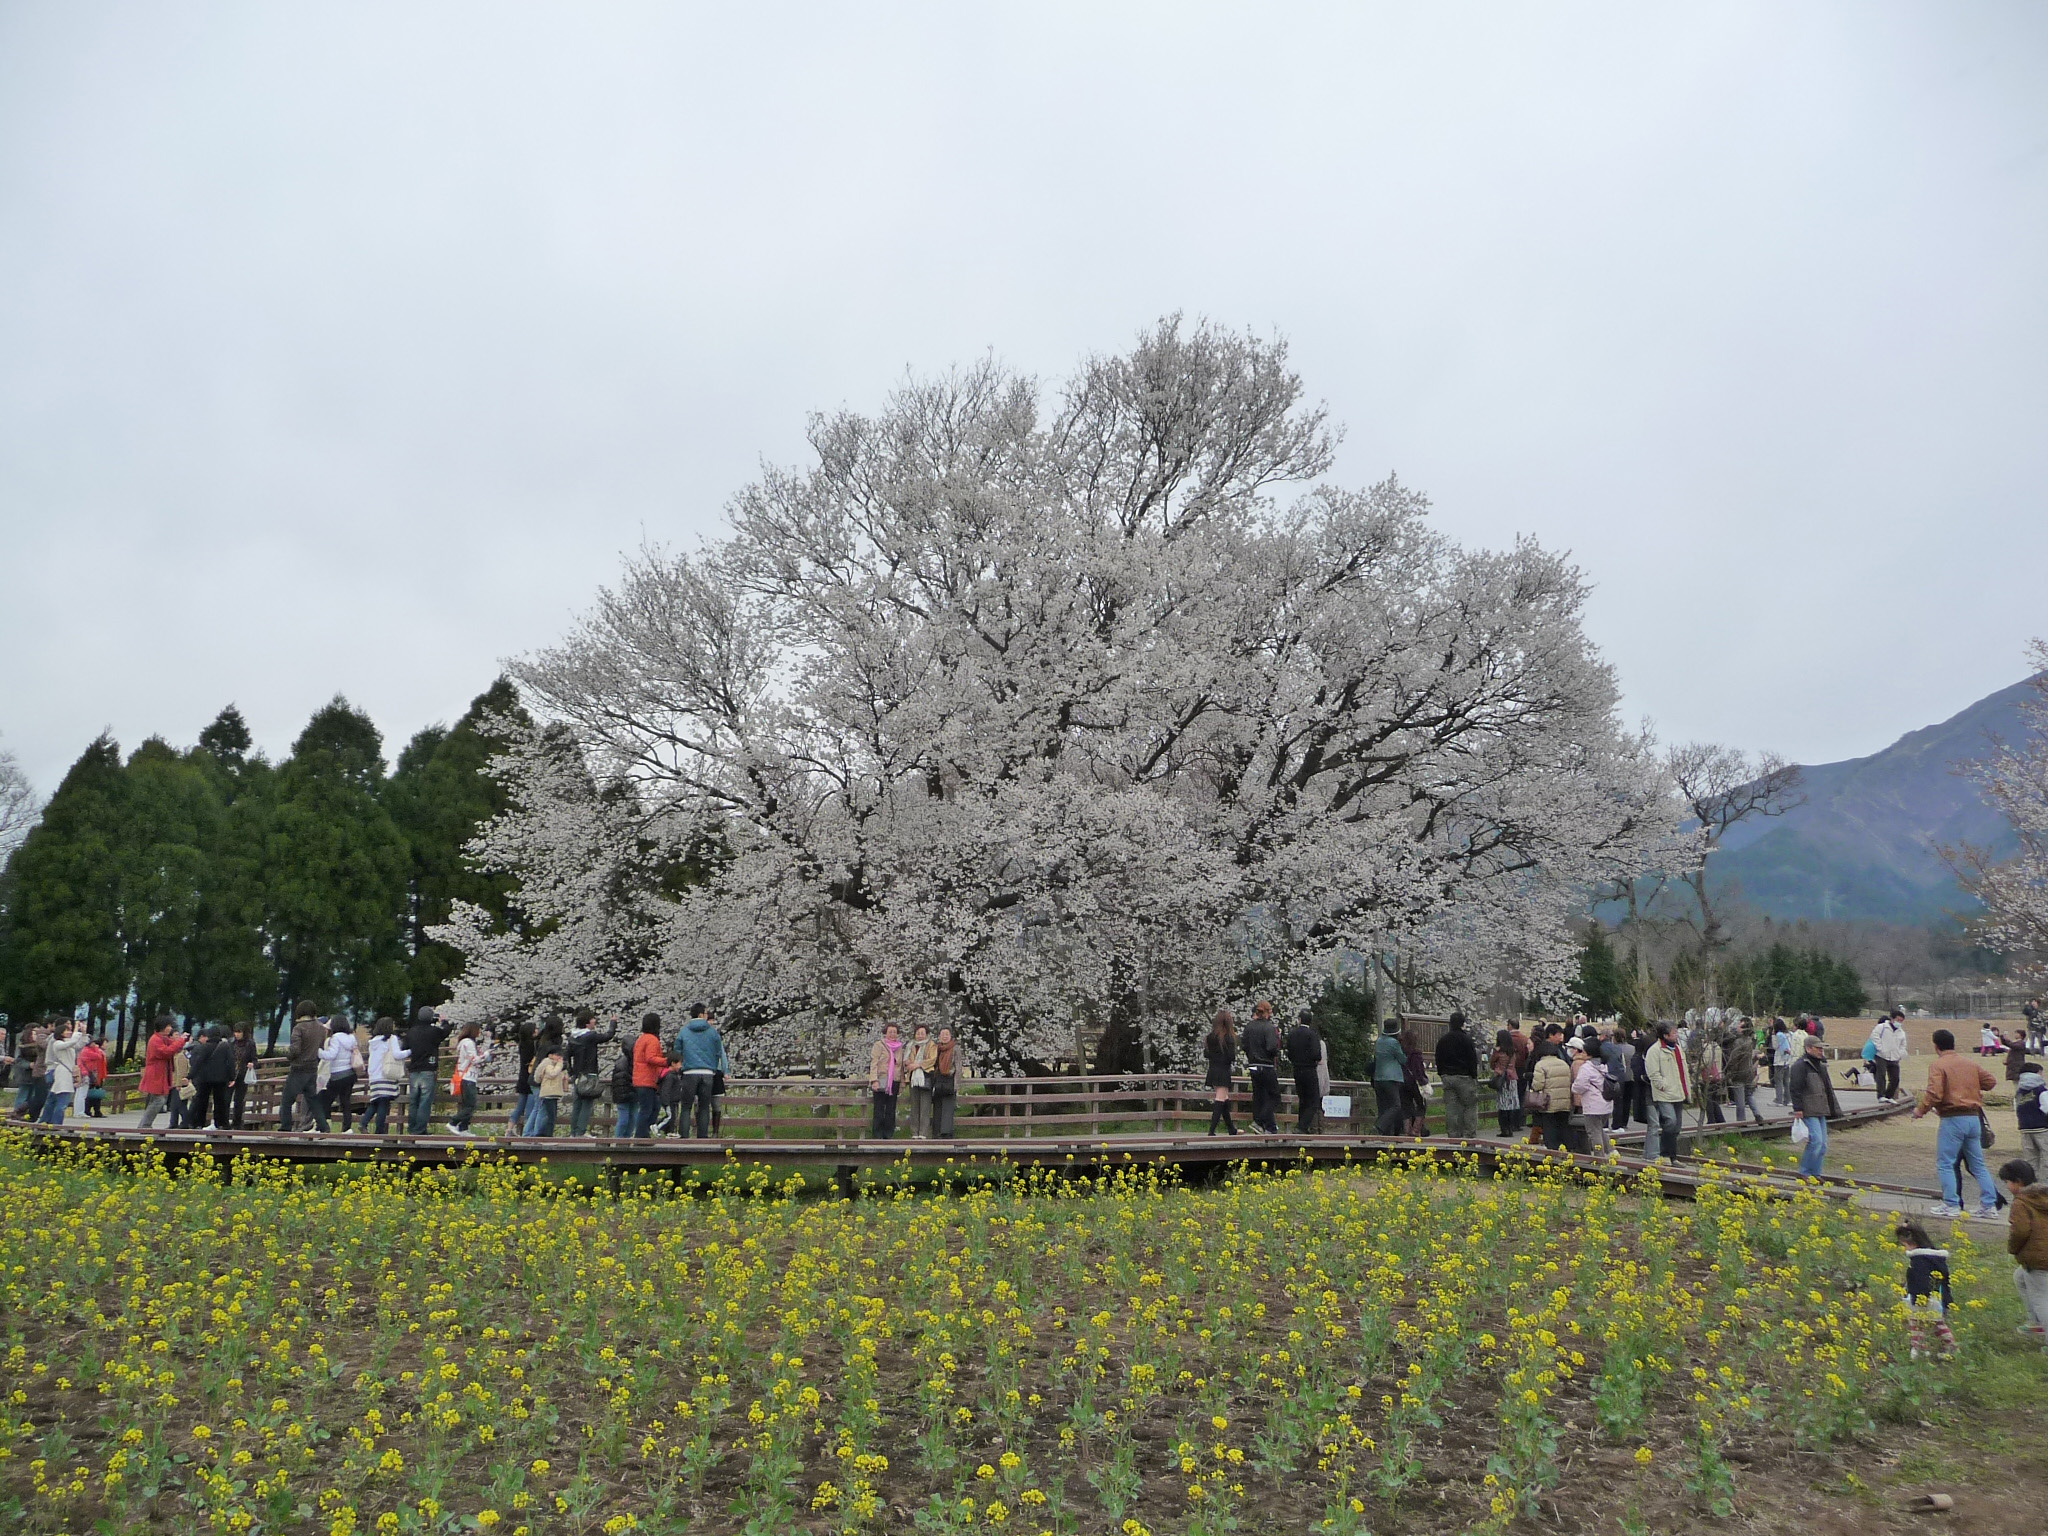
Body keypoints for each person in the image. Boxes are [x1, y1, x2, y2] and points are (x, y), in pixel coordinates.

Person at [1913, 1028, 2000, 1219]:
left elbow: (1935, 1093)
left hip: (1952, 1118)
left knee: (1945, 1162)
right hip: (1973, 1117)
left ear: (1936, 1046)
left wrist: (1920, 1110)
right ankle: (1989, 1205)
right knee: (1978, 1164)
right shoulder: (1969, 1063)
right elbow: (1990, 1082)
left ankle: (1951, 1204)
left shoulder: (1938, 1065)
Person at [2000, 1159, 2048, 1348]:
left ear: (2018, 1182)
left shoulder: (2022, 1202)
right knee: (2020, 1277)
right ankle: (2035, 1322)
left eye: (2007, 1182)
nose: (2007, 1186)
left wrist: (2013, 1248)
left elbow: (2020, 1231)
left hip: (2038, 1259)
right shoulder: (2043, 1195)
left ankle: (2041, 1326)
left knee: (2041, 1300)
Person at [1894, 1220, 1956, 1358]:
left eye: (1904, 1245)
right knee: (1936, 1324)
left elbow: (1920, 1282)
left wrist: (1917, 1299)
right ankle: (1948, 1346)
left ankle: (1920, 1349)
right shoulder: (1935, 1258)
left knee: (1917, 1324)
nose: (1904, 1249)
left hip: (1926, 1300)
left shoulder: (1919, 1261)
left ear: (1912, 1244)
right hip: (1938, 1299)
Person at [1787, 1031, 1842, 1178]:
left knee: (1823, 1145)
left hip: (1821, 1108)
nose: (1821, 1051)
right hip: (1808, 1109)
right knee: (1816, 1142)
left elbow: (1827, 1089)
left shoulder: (1821, 1065)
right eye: (1818, 1048)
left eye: (1821, 1048)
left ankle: (1816, 1173)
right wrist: (1798, 1108)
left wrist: (1833, 1109)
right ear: (1808, 1048)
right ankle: (1805, 1172)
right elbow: (1795, 1088)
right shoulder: (1800, 1066)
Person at [559, 1008, 617, 1136]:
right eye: (592, 1019)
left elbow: (566, 1056)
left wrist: (572, 1072)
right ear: (587, 1023)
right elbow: (608, 1036)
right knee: (587, 1103)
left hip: (578, 1075)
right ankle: (581, 1131)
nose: (595, 1021)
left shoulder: (573, 1038)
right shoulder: (590, 1036)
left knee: (577, 1104)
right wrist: (613, 1023)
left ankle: (574, 1132)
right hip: (590, 1074)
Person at [676, 1005, 726, 1138]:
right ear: (700, 1015)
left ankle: (684, 1137)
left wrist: (682, 1067)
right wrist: (713, 1067)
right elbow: (717, 1052)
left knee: (686, 1107)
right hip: (707, 1072)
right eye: (705, 1013)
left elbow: (677, 1051)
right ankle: (703, 1138)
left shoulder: (684, 1031)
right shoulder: (712, 1032)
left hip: (689, 1072)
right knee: (704, 1107)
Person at [403, 1005, 453, 1135]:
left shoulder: (411, 1032)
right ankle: (420, 1129)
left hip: (414, 1069)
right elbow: (446, 1031)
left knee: (414, 1101)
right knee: (425, 1101)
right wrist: (444, 1021)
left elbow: (405, 1048)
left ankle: (412, 1128)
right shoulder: (434, 1031)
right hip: (428, 1069)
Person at [1644, 1022, 1690, 1162]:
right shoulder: (1655, 1050)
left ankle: (1672, 1156)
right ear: (1665, 1035)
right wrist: (1663, 1085)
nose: (1677, 1035)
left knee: (1677, 1126)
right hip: (1664, 1093)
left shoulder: (1677, 1049)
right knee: (1670, 1121)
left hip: (1679, 1091)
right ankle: (1664, 1154)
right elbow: (1653, 1073)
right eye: (1674, 1033)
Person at [281, 1003, 328, 1132]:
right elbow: (321, 1047)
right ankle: (324, 1127)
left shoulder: (299, 1028)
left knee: (286, 1101)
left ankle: (285, 1128)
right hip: (312, 1068)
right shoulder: (321, 1028)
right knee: (313, 1101)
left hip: (298, 1069)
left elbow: (295, 1050)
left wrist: (287, 1053)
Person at [1435, 1011, 1481, 1139]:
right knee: (1469, 1105)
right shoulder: (1466, 1040)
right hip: (1464, 1077)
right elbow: (1472, 1059)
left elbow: (1438, 1058)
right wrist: (1474, 1076)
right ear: (1462, 1023)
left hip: (1447, 1077)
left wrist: (1441, 1073)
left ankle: (1453, 1135)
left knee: (1451, 1107)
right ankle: (1469, 1134)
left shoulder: (1443, 1040)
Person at [1242, 1000, 1283, 1134]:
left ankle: (1268, 1126)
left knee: (1259, 1096)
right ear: (1267, 1012)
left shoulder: (1249, 1027)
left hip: (1253, 1065)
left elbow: (1244, 1045)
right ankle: (1259, 1121)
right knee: (1275, 1096)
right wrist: (1276, 1051)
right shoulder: (1268, 1027)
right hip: (1266, 1065)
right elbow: (1271, 1047)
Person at [359, 1019, 406, 1133]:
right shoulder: (391, 1039)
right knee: (384, 1103)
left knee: (375, 1102)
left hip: (374, 1075)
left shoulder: (373, 1041)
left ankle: (364, 1123)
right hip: (386, 1074)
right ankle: (379, 1130)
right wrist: (410, 1052)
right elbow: (397, 1054)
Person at [138, 1016, 186, 1129]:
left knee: (157, 1100)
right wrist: (180, 1041)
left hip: (160, 1073)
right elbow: (167, 1051)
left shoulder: (161, 1038)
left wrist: (181, 1040)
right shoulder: (155, 1040)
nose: (170, 1028)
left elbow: (174, 1046)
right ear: (162, 1027)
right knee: (158, 1100)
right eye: (168, 1026)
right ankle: (145, 1125)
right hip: (156, 1074)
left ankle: (144, 1124)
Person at [1526, 1035, 1572, 1151]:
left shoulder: (1541, 1065)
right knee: (1563, 1126)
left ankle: (1552, 1150)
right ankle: (1568, 1148)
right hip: (1565, 1101)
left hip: (1549, 1102)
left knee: (1549, 1127)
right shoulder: (1564, 1064)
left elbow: (1538, 1085)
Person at [186, 1025, 236, 1129]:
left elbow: (198, 1063)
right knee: (220, 1101)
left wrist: (190, 1075)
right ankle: (221, 1123)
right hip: (221, 1078)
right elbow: (231, 1062)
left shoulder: (204, 1046)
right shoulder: (225, 1046)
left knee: (202, 1100)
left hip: (205, 1078)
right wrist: (232, 1077)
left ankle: (199, 1122)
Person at [1571, 1038, 1612, 1155]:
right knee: (1598, 1129)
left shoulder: (1587, 1067)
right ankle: (1611, 1151)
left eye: (1583, 1052)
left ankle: (1600, 1158)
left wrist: (1573, 1088)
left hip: (1593, 1105)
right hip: (1606, 1103)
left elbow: (1580, 1086)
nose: (1582, 1054)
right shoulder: (1604, 1065)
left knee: (1593, 1132)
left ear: (1589, 1054)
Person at [318, 1020, 361, 1131]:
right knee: (345, 1102)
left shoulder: (335, 1038)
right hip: (350, 1074)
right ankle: (347, 1129)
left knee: (326, 1101)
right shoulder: (352, 1038)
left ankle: (325, 1127)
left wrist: (319, 1052)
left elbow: (331, 1055)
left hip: (337, 1074)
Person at [1286, 1010, 1325, 1134]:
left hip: (1297, 1069)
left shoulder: (1292, 1034)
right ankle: (1302, 1126)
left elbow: (1289, 1053)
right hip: (1309, 1070)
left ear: (1299, 1020)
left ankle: (1302, 1126)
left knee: (1302, 1099)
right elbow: (1317, 1055)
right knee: (1313, 1100)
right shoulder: (1312, 1035)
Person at [630, 1014, 667, 1139]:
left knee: (652, 1107)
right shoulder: (652, 1040)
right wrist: (666, 1061)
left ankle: (644, 1134)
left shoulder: (641, 1039)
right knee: (648, 1109)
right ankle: (641, 1136)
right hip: (647, 1079)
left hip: (639, 1078)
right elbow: (650, 1058)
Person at [38, 1022, 81, 1126]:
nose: (69, 1032)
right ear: (60, 1032)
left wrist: (82, 1032)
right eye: (66, 1030)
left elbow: (77, 1043)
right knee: (62, 1100)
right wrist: (76, 1031)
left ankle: (45, 1121)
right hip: (62, 1073)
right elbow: (73, 1042)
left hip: (65, 1072)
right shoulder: (57, 1043)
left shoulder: (66, 1042)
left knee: (52, 1099)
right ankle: (56, 1124)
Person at [1203, 1009, 1238, 1135]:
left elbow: (1206, 1054)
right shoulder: (1228, 1038)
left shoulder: (1210, 1037)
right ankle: (1211, 1130)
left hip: (1213, 1069)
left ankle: (1231, 1129)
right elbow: (1231, 1056)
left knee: (1224, 1098)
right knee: (1220, 1099)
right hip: (1223, 1070)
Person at [869, 1021, 906, 1139]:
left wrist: (902, 1083)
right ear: (885, 1033)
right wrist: (874, 1080)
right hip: (881, 1079)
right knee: (879, 1108)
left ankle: (889, 1134)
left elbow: (900, 1067)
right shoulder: (879, 1045)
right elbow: (874, 1063)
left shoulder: (899, 1048)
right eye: (890, 1032)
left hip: (894, 1081)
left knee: (891, 1109)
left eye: (894, 1032)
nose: (892, 1034)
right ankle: (877, 1134)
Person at [448, 1022, 486, 1135]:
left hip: (467, 1077)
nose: (480, 1032)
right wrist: (486, 1055)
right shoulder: (468, 1043)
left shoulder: (464, 1043)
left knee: (467, 1104)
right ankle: (453, 1122)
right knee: (471, 1105)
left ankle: (463, 1128)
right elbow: (474, 1059)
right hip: (468, 1077)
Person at [1371, 1018, 1407, 1136]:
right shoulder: (1394, 1043)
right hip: (1391, 1078)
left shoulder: (1379, 1041)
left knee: (1383, 1107)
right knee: (1396, 1105)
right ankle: (1379, 1126)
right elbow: (1403, 1059)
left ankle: (1384, 1134)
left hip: (1378, 1078)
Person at [904, 1023, 939, 1139]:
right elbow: (907, 1059)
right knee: (914, 1105)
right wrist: (909, 1064)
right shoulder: (911, 1046)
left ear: (926, 1034)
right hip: (913, 1078)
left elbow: (932, 1059)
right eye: (918, 1033)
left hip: (926, 1076)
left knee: (925, 1106)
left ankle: (923, 1132)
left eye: (922, 1033)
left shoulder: (931, 1045)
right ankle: (914, 1132)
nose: (920, 1035)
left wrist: (918, 1065)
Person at [1720, 1018, 1757, 1123]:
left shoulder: (1738, 1042)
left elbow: (1734, 1059)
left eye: (1739, 1026)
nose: (1737, 1027)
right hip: (1748, 1071)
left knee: (1740, 1098)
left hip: (1739, 1072)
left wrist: (1730, 1073)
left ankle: (1741, 1120)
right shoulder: (1750, 1041)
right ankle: (1757, 1113)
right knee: (1749, 1094)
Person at [1868, 1010, 1908, 1102]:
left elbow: (1903, 1045)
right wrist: (1880, 1048)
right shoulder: (1881, 1027)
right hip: (1881, 1055)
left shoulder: (1901, 1032)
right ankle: (1881, 1095)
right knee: (1881, 1075)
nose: (1899, 1023)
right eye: (1898, 1020)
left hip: (1894, 1057)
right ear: (1892, 1019)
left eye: (1901, 1021)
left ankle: (1888, 1096)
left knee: (1895, 1078)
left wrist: (1899, 1054)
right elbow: (1874, 1036)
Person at [2017, 1060, 2048, 1176]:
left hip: (2025, 1128)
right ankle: (2045, 1186)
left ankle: (2030, 1186)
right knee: (2046, 1157)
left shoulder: (2019, 1092)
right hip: (2042, 1129)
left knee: (2030, 1161)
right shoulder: (2041, 1091)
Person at [1488, 1030, 1521, 1138]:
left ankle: (1504, 1130)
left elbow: (1492, 1064)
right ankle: (1511, 1128)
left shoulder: (1498, 1052)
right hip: (1512, 1079)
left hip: (1502, 1080)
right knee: (1511, 1105)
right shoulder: (1513, 1052)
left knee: (1502, 1106)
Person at [531, 1044, 568, 1136]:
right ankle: (544, 1135)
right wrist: (560, 1064)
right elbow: (553, 1073)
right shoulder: (547, 1064)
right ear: (550, 1055)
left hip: (553, 1093)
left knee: (550, 1115)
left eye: (560, 1055)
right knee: (550, 1116)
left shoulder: (555, 1065)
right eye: (557, 1055)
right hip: (548, 1093)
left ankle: (545, 1135)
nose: (559, 1057)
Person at [932, 1026, 962, 1137]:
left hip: (950, 1079)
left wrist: (956, 1085)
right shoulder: (937, 1048)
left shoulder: (955, 1049)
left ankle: (947, 1133)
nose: (944, 1037)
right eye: (942, 1034)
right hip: (938, 1080)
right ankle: (937, 1133)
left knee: (948, 1108)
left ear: (950, 1036)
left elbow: (958, 1067)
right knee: (938, 1108)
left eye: (947, 1034)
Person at [1400, 1027, 1430, 1137]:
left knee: (1406, 1107)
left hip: (1402, 1082)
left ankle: (1407, 1130)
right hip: (1414, 1083)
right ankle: (1416, 1130)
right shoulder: (1416, 1054)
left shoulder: (1401, 1052)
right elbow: (1418, 1071)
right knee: (1421, 1105)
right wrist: (1424, 1082)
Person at [229, 1023, 258, 1127]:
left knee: (239, 1100)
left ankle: (237, 1122)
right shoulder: (231, 1043)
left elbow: (255, 1059)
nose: (236, 1034)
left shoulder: (250, 1044)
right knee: (226, 1098)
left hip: (242, 1075)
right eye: (235, 1032)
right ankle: (225, 1121)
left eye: (239, 1032)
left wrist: (252, 1064)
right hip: (231, 1075)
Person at [76, 1034, 108, 1118]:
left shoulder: (87, 1050)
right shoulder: (88, 1051)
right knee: (85, 1094)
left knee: (85, 1094)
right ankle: (83, 1111)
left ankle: (84, 1111)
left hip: (91, 1073)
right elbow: (98, 1056)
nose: (94, 1045)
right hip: (88, 1073)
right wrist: (97, 1048)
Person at [1771, 1018, 1795, 1106]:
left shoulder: (1778, 1035)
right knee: (1786, 1080)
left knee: (1778, 1080)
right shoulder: (1790, 1034)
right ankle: (1788, 1099)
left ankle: (1779, 1099)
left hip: (1779, 1060)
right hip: (1788, 1060)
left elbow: (1775, 1046)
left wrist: (1773, 1036)